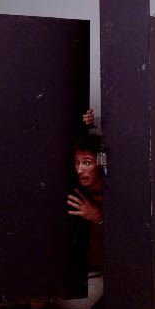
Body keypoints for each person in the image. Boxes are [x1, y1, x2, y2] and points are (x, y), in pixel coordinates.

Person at [67, 109, 103, 270]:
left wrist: (98, 217)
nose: (80, 169)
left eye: (87, 162)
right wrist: (84, 124)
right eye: (77, 162)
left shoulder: (113, 194)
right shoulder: (81, 191)